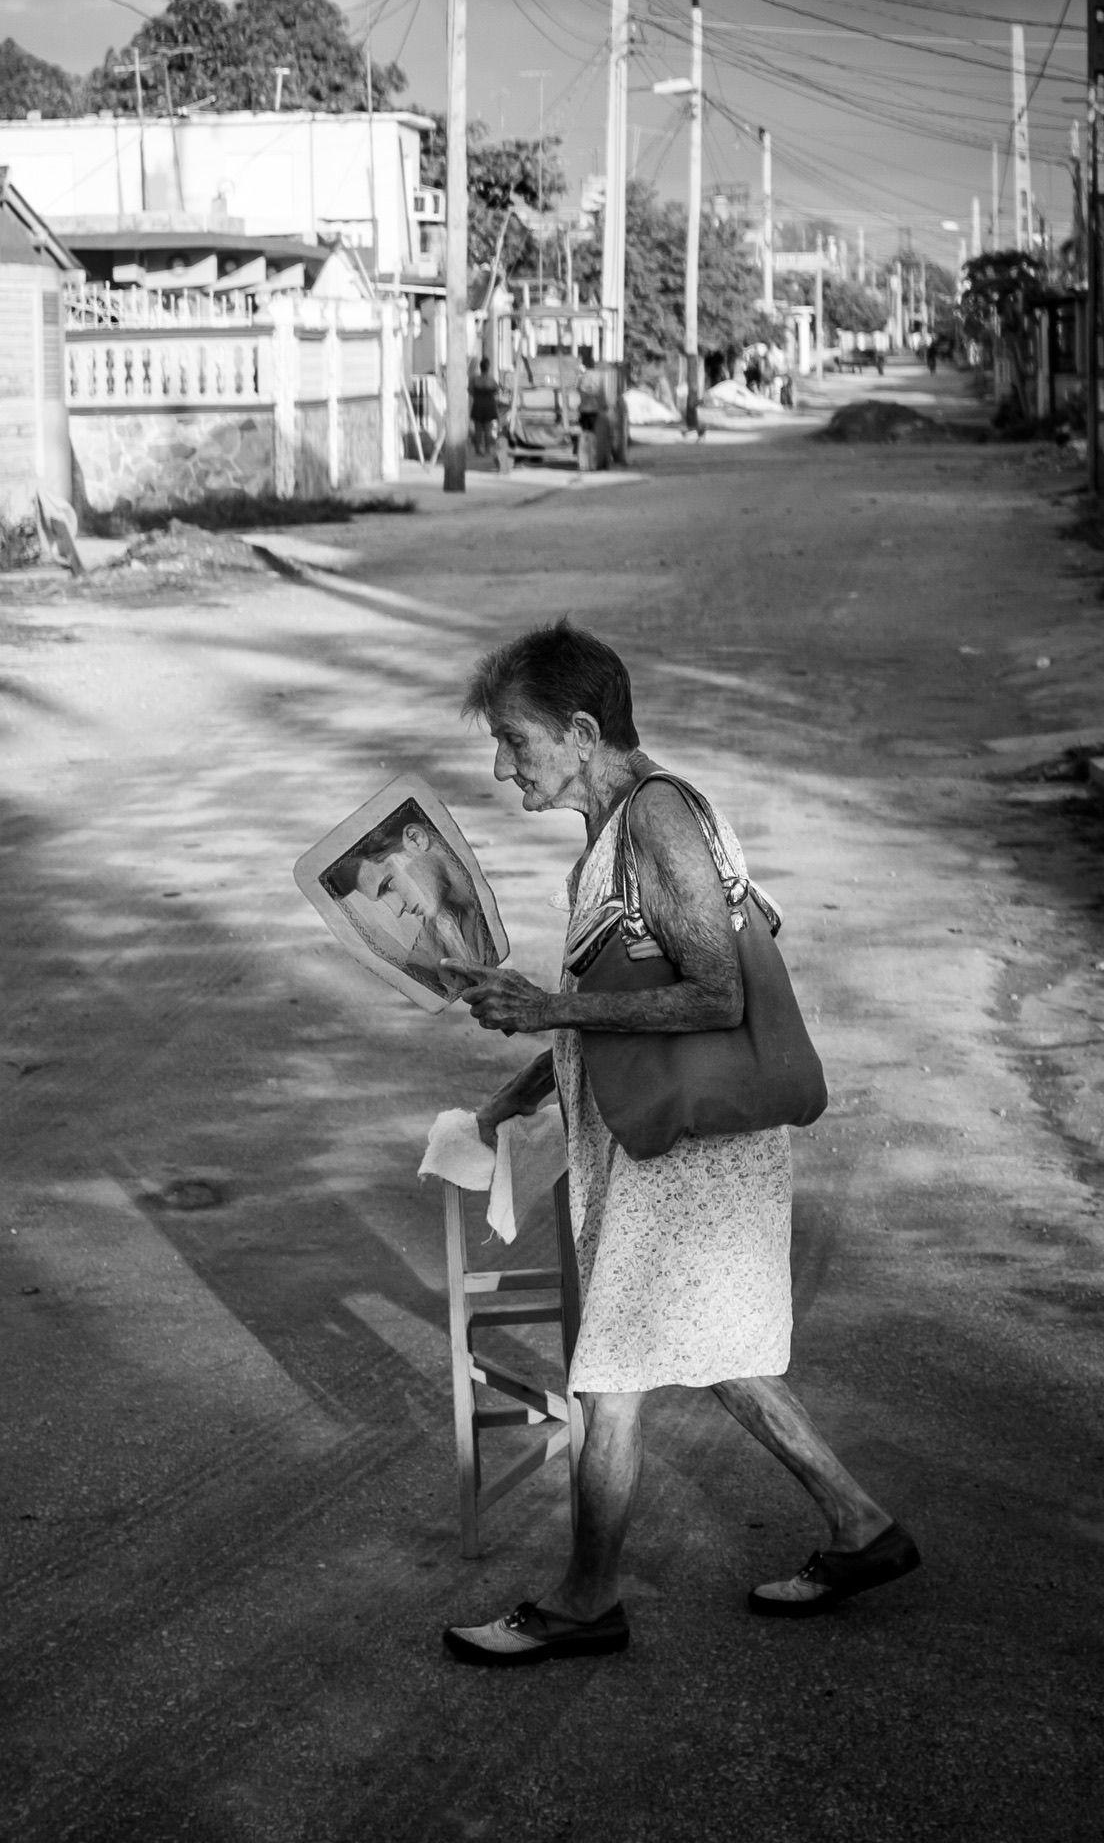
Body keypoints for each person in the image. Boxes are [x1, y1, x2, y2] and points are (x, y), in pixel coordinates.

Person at [436, 619, 918, 1666]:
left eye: (515, 742)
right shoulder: (614, 824)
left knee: (612, 1371)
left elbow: (718, 991)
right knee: (710, 1347)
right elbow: (612, 994)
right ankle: (861, 1525)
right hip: (669, 1146)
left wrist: (547, 1016)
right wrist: (525, 1082)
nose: (501, 767)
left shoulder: (655, 818)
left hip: (691, 1151)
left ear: (577, 729)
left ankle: (583, 1603)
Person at [322, 800, 496, 994]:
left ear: (415, 839)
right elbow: (421, 967)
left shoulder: (503, 885)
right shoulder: (441, 929)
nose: (396, 911)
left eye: (388, 885)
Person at [468, 356, 500, 457]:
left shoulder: (474, 379)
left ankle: (478, 450)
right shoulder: (491, 380)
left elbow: (470, 391)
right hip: (489, 406)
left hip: (478, 405)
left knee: (478, 429)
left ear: (480, 367)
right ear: (488, 367)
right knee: (487, 429)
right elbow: (497, 390)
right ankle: (487, 449)